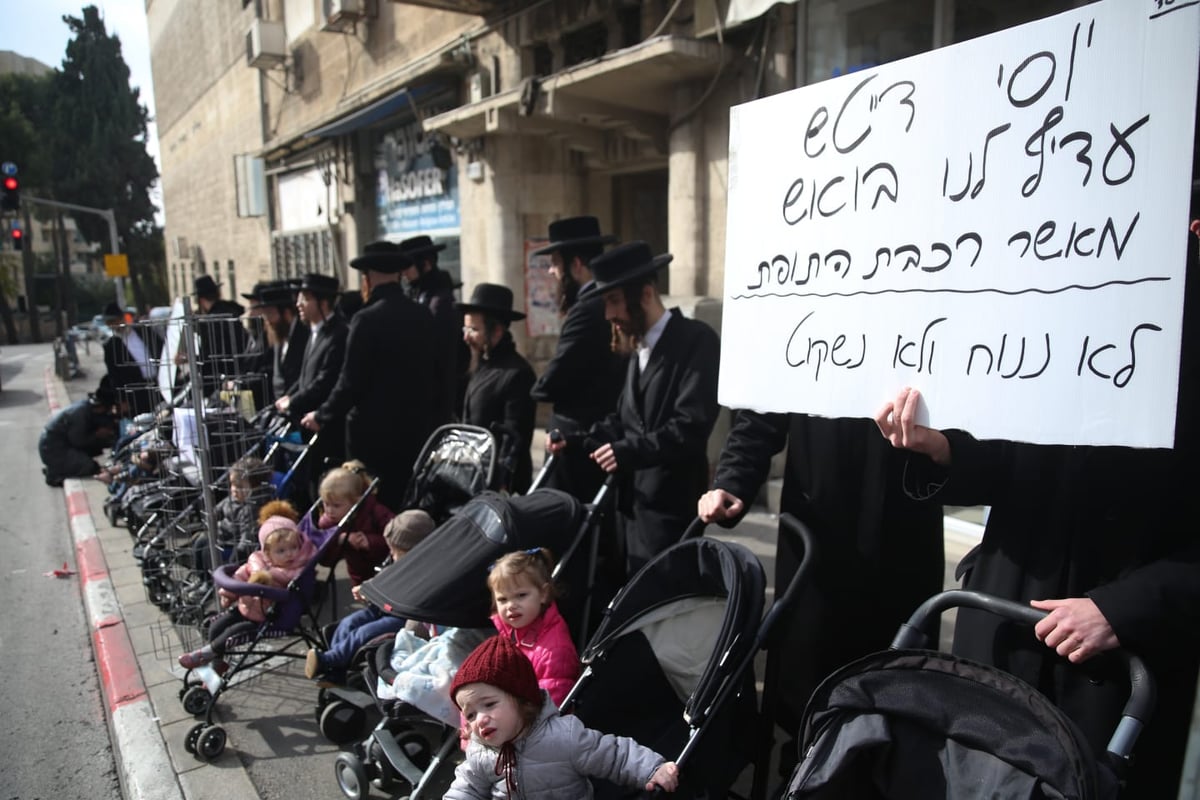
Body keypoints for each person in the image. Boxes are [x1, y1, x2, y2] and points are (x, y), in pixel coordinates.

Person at [874, 383, 1200, 799]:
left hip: (1118, 674)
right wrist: (942, 448)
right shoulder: (1059, 333)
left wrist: (1122, 610)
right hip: (1001, 635)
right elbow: (1005, 464)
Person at [696, 409, 946, 745]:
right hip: (818, 540)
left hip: (903, 541)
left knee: (894, 691)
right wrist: (732, 480)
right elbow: (761, 416)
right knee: (808, 694)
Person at [548, 241, 721, 574]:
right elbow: (625, 420)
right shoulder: (637, 348)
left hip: (671, 513)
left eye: (614, 301)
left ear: (644, 294)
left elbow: (690, 427)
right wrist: (578, 440)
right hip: (631, 511)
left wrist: (627, 451)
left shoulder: (696, 341)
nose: (610, 315)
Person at [301, 241, 448, 510]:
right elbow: (440, 374)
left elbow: (350, 382)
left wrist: (321, 415)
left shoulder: (366, 319)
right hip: (415, 432)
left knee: (374, 508)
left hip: (372, 438)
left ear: (368, 277)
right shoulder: (423, 315)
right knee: (407, 502)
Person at [445, 634, 679, 799]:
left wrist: (651, 769)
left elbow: (613, 755)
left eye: (489, 704)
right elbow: (467, 787)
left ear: (521, 700)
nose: (480, 719)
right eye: (471, 714)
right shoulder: (481, 751)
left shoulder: (562, 737)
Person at [530, 216, 624, 501]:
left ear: (577, 265)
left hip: (582, 439)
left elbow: (555, 377)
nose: (551, 271)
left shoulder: (587, 309)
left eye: (556, 263)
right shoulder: (601, 300)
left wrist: (536, 388)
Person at [304, 508, 437, 682]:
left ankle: (330, 660)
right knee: (347, 624)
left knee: (364, 633)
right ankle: (337, 666)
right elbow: (384, 578)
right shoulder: (399, 562)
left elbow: (409, 595)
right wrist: (368, 589)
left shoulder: (426, 570)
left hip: (402, 617)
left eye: (397, 552)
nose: (392, 555)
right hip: (381, 607)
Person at [177, 509, 316, 670]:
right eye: (281, 551)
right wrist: (228, 593)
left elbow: (286, 591)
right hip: (246, 609)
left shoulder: (295, 570)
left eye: (293, 547)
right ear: (267, 554)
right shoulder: (257, 562)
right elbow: (240, 576)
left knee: (234, 633)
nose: (289, 554)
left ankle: (204, 654)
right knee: (217, 626)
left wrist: (262, 585)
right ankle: (218, 664)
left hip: (269, 619)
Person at [458, 283, 537, 493]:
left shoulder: (517, 373)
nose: (466, 337)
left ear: (497, 331)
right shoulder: (482, 364)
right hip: (472, 477)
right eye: (465, 328)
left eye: (474, 329)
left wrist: (501, 480)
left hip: (500, 486)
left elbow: (514, 436)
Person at [276, 273, 348, 477]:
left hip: (326, 426)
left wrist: (293, 402)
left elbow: (325, 380)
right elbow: (305, 376)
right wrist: (289, 397)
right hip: (306, 423)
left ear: (323, 302)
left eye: (306, 298)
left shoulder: (339, 334)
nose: (299, 304)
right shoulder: (314, 332)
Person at [486, 549, 579, 706]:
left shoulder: (554, 650)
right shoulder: (510, 634)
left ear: (543, 594)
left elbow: (553, 699)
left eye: (521, 595)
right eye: (502, 599)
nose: (511, 606)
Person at [298, 460, 395, 587]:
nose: (329, 510)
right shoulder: (328, 522)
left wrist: (369, 542)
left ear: (356, 502)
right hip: (359, 576)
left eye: (336, 505)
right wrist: (339, 539)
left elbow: (398, 539)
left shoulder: (376, 512)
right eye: (326, 504)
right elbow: (325, 560)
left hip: (387, 571)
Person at [399, 233, 466, 418]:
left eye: (408, 267)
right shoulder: (418, 294)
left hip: (436, 397)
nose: (404, 273)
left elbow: (441, 356)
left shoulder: (440, 302)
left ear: (426, 264)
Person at [189, 456, 271, 574]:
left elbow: (247, 536)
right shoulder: (232, 499)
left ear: (255, 487)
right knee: (199, 542)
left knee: (208, 549)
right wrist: (210, 517)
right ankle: (200, 576)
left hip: (233, 543)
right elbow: (217, 510)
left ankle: (210, 582)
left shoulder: (252, 508)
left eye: (240, 486)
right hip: (221, 534)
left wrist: (238, 556)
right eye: (232, 485)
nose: (234, 490)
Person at [40, 378, 119, 487]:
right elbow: (78, 441)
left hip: (59, 446)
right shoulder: (80, 415)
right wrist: (98, 435)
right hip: (53, 450)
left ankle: (60, 466)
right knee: (90, 467)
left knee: (96, 451)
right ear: (101, 407)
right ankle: (55, 473)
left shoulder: (87, 408)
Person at [186, 275, 249, 397]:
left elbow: (209, 356)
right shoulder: (232, 311)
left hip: (219, 380)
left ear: (201, 300)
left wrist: (192, 359)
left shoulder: (209, 321)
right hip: (241, 371)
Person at [101, 302, 164, 418]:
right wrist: (122, 400)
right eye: (110, 324)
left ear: (122, 318)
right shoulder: (111, 346)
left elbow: (161, 349)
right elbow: (114, 375)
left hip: (159, 384)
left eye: (115, 321)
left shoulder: (143, 331)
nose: (114, 326)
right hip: (137, 393)